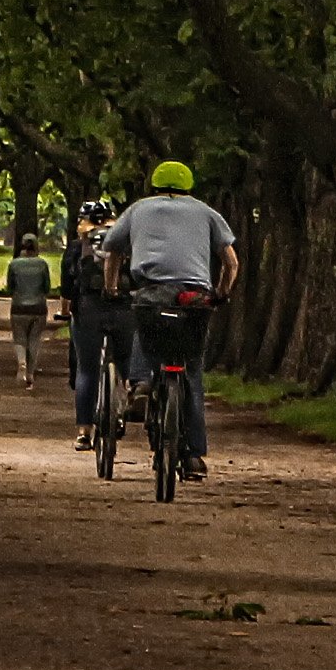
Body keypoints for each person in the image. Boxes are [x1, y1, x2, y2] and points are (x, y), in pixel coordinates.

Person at [101, 161, 238, 480]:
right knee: (190, 372)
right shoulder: (206, 212)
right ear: (189, 185)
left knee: (145, 322)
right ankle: (193, 457)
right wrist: (221, 292)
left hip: (152, 291)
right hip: (193, 298)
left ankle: (141, 383)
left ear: (155, 183)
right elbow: (231, 262)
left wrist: (111, 287)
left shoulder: (138, 209)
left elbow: (113, 251)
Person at [64, 200, 131, 450]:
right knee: (125, 365)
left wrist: (65, 311)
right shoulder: (125, 243)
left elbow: (67, 285)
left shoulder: (77, 246)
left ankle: (84, 431)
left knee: (87, 370)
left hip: (89, 310)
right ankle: (121, 409)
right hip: (124, 308)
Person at [5, 233, 53, 387]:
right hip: (38, 308)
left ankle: (21, 362)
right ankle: (30, 374)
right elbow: (47, 287)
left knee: (19, 338)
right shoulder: (42, 264)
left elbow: (10, 288)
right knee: (34, 340)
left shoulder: (14, 264)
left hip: (18, 307)